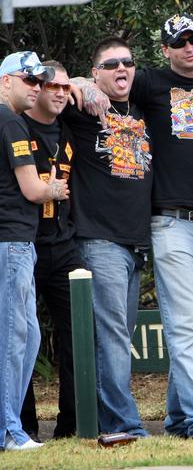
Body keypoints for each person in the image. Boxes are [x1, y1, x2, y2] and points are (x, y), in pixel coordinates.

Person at [79, 14, 193, 439]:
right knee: (181, 327)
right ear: (164, 49)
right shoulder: (149, 83)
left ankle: (179, 418)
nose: (187, 47)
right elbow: (79, 80)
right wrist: (86, 85)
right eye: (178, 42)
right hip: (166, 224)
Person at [64, 37, 151, 437]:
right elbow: (52, 81)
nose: (122, 69)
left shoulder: (142, 107)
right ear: (97, 71)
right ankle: (125, 424)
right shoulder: (83, 107)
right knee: (113, 336)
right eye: (111, 64)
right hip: (98, 239)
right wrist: (82, 84)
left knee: (117, 336)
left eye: (128, 63)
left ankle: (106, 422)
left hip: (134, 243)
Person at [0, 51, 67, 451]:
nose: (36, 88)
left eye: (39, 81)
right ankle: (9, 430)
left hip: (14, 242)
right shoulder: (11, 121)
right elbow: (33, 189)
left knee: (27, 335)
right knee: (14, 338)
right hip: (12, 242)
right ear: (6, 79)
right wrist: (54, 189)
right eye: (29, 80)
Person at [19, 60, 84, 441]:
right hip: (22, 244)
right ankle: (23, 428)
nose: (59, 93)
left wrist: (80, 84)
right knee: (22, 338)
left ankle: (73, 426)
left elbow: (97, 85)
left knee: (79, 332)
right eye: (51, 86)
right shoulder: (14, 122)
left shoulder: (71, 124)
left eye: (64, 87)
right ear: (34, 89)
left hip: (64, 245)